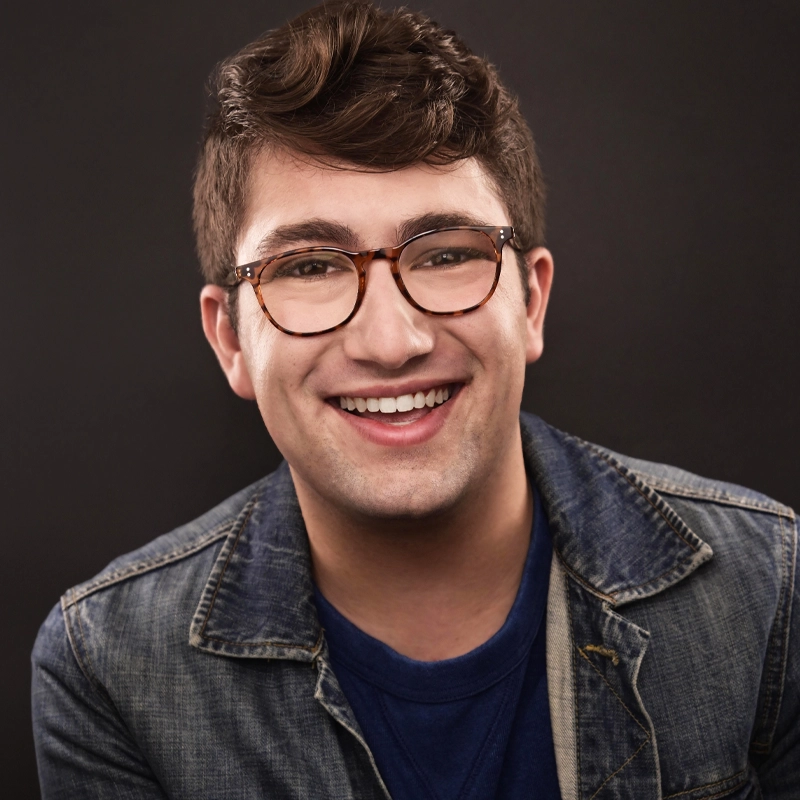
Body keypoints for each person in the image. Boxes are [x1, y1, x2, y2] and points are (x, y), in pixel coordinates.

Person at [31, 2, 798, 798]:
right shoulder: (108, 664)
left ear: (530, 304)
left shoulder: (771, 591)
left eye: (446, 255)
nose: (392, 342)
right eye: (310, 267)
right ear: (230, 340)